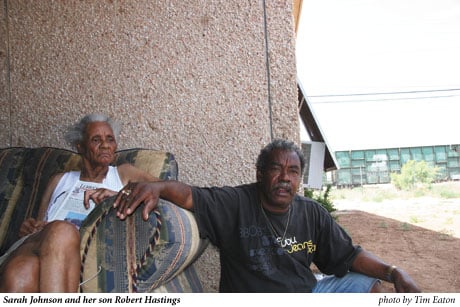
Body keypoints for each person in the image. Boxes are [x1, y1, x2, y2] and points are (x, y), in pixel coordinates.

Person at [114, 139, 421, 293]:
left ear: (299, 178)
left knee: (367, 286)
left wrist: (393, 272)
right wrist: (157, 187)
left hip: (308, 290)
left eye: (293, 172)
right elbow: (191, 194)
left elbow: (349, 255)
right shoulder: (235, 202)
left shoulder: (311, 212)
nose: (285, 178)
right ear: (261, 174)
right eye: (276, 169)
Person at [0, 114, 157, 292]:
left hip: (71, 252)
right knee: (60, 230)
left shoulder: (124, 174)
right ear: (80, 147)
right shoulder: (59, 180)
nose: (105, 145)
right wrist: (29, 227)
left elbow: (163, 191)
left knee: (21, 273)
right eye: (96, 139)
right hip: (38, 244)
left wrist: (120, 195)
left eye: (110, 139)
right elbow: (39, 224)